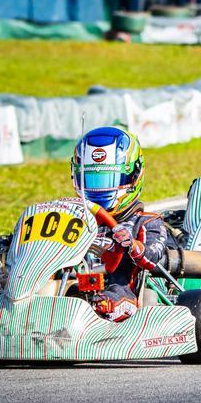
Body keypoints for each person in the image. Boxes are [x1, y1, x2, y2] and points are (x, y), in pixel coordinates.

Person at [72, 126, 169, 322]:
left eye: (109, 179)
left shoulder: (147, 222)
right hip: (70, 286)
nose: (100, 189)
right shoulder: (72, 218)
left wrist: (133, 245)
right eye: (92, 181)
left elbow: (152, 258)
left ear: (134, 177)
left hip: (121, 290)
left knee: (111, 294)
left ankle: (94, 313)